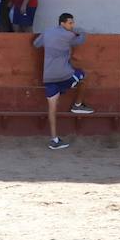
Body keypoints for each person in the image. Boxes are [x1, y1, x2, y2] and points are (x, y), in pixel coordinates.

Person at [35, 12, 95, 150]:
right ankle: (77, 105)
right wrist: (78, 30)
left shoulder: (47, 32)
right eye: (70, 23)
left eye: (73, 23)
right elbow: (81, 40)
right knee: (82, 76)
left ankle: (54, 139)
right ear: (62, 23)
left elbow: (36, 44)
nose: (72, 25)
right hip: (64, 76)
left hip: (48, 77)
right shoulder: (69, 35)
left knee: (52, 109)